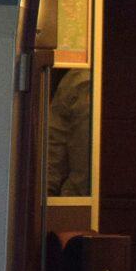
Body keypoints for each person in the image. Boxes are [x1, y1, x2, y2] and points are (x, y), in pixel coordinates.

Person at [46, 68, 92, 197]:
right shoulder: (79, 81)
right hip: (75, 199)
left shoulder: (79, 81)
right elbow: (54, 143)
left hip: (76, 197)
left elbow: (54, 143)